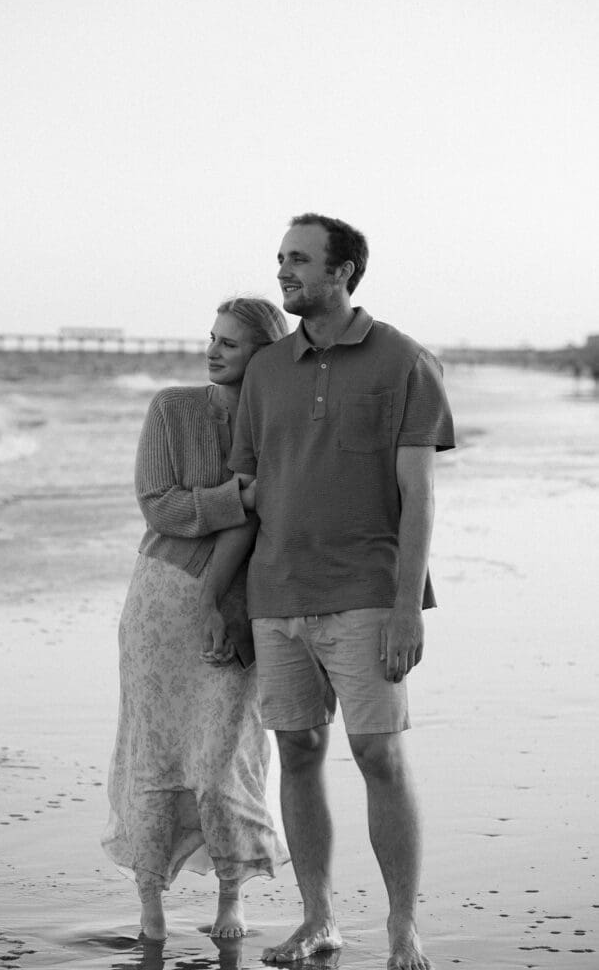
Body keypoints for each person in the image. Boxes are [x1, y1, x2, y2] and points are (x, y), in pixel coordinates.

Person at [204, 214, 454, 970]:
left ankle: (402, 927)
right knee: (298, 751)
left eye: (300, 261)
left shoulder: (405, 361)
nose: (284, 272)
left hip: (368, 592)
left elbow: (418, 495)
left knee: (378, 754)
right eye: (281, 259)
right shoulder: (267, 370)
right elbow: (249, 492)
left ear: (342, 271)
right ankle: (317, 920)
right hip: (277, 593)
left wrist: (408, 604)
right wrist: (228, 600)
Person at [102, 297, 289, 942]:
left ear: (263, 356)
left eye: (230, 344)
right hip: (162, 600)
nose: (212, 350)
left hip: (243, 602)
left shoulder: (280, 422)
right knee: (154, 754)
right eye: (212, 338)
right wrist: (237, 496)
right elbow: (159, 507)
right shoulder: (172, 407)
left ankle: (231, 894)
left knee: (225, 756)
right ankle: (150, 900)